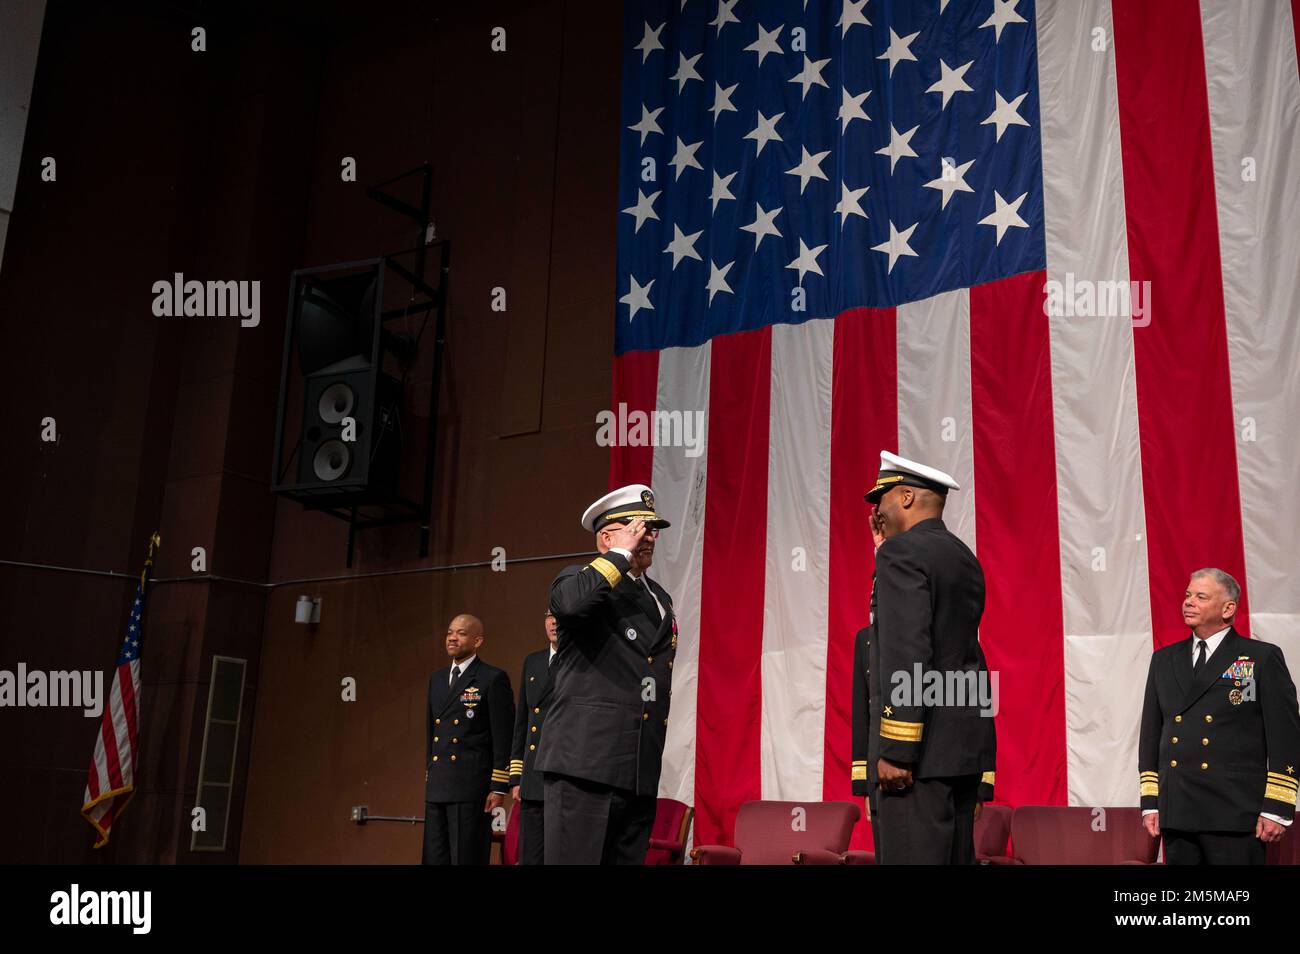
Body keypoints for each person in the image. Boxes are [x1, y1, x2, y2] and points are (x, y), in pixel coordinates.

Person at [856, 451, 996, 864]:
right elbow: (967, 661)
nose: (876, 511)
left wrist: (898, 749)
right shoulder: (963, 557)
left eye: (880, 499)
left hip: (916, 763)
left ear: (905, 497)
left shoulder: (901, 556)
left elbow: (908, 650)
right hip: (957, 755)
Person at [539, 483, 676, 864]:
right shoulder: (577, 581)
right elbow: (570, 606)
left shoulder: (659, 597)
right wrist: (619, 554)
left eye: (652, 529)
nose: (647, 537)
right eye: (637, 528)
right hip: (585, 764)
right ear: (606, 537)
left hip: (636, 768)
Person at [1139, 568, 1300, 864]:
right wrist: (1151, 802)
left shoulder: (1260, 657)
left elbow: (1285, 736)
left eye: (1201, 596)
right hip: (1178, 809)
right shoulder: (1163, 660)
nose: (1189, 602)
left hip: (1235, 812)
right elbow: (1151, 733)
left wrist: (1277, 807)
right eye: (1188, 595)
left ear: (1228, 609)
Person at [422, 613, 514, 865]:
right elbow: (433, 732)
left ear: (477, 641)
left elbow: (503, 735)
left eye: (461, 633)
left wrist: (498, 786)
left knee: (466, 856)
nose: (452, 637)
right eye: (450, 632)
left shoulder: (491, 678)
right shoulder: (437, 679)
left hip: (470, 785)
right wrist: (430, 771)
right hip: (439, 784)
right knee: (434, 857)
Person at [509, 609, 559, 865]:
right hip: (532, 776)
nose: (554, 622)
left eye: (559, 617)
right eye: (550, 616)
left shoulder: (579, 662)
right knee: (531, 855)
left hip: (562, 776)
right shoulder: (533, 661)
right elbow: (523, 723)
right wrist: (516, 776)